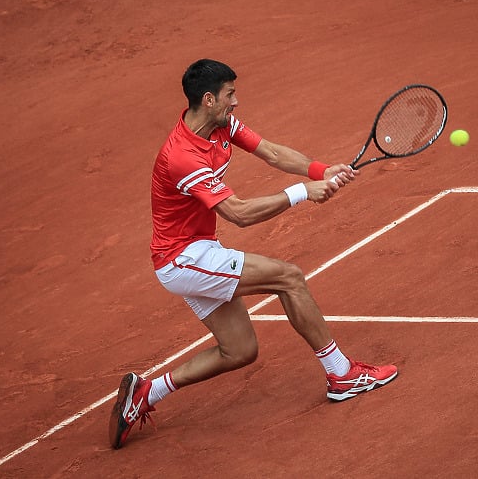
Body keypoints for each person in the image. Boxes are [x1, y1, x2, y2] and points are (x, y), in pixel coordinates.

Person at [109, 59, 398, 449]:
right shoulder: (182, 155)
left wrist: (321, 170)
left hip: (196, 251)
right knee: (289, 277)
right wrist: (300, 194)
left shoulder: (220, 124)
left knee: (240, 350)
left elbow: (273, 154)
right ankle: (341, 374)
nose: (236, 102)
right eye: (230, 94)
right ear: (208, 99)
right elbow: (239, 213)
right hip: (182, 258)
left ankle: (146, 393)